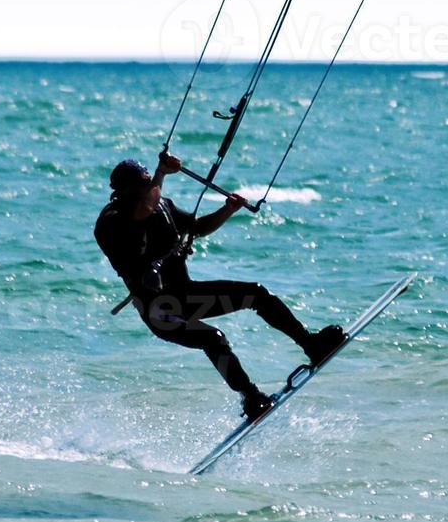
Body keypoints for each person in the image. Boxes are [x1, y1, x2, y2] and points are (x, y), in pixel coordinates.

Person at [95, 151, 346, 421]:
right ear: (122, 192)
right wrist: (160, 172)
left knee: (256, 294)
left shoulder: (162, 204)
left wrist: (227, 209)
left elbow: (197, 227)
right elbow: (142, 211)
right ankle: (250, 397)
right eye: (142, 185)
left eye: (149, 183)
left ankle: (311, 344)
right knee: (212, 339)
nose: (149, 188)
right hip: (161, 310)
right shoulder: (111, 220)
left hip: (186, 297)